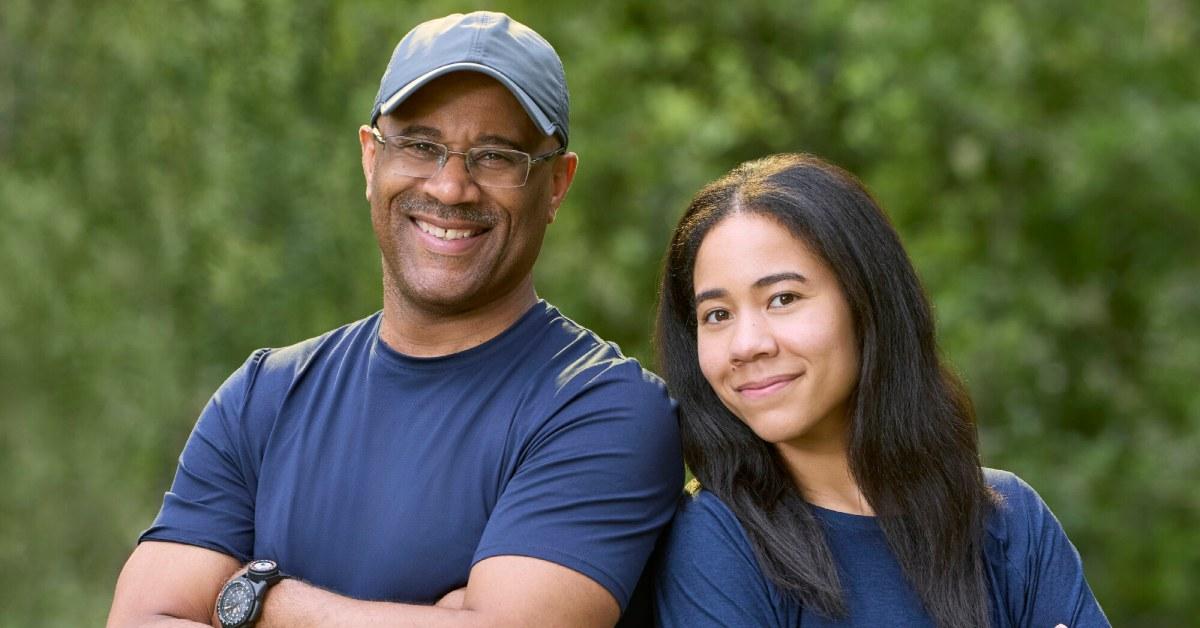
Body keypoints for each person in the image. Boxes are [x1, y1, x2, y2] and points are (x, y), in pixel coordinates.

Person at [107, 12, 681, 628]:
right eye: (419, 145)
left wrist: (260, 602)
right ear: (369, 159)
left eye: (496, 156)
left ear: (557, 186)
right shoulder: (263, 398)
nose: (452, 186)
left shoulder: (602, 409)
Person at [651, 153, 1108, 627]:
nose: (747, 345)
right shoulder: (714, 542)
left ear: (866, 302)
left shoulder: (1009, 523)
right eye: (717, 315)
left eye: (782, 299)